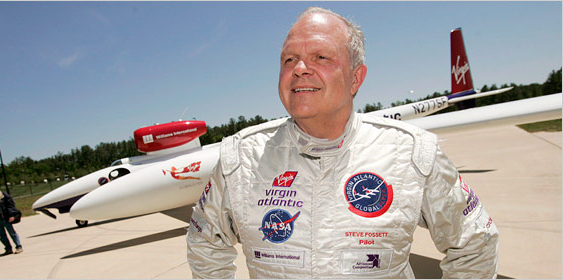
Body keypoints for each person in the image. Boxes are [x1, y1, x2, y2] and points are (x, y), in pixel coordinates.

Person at [187, 7, 498, 278]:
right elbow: (205, 242)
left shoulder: (413, 154)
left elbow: (475, 244)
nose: (299, 69)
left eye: (320, 57)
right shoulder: (239, 159)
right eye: (289, 59)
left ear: (355, 78)